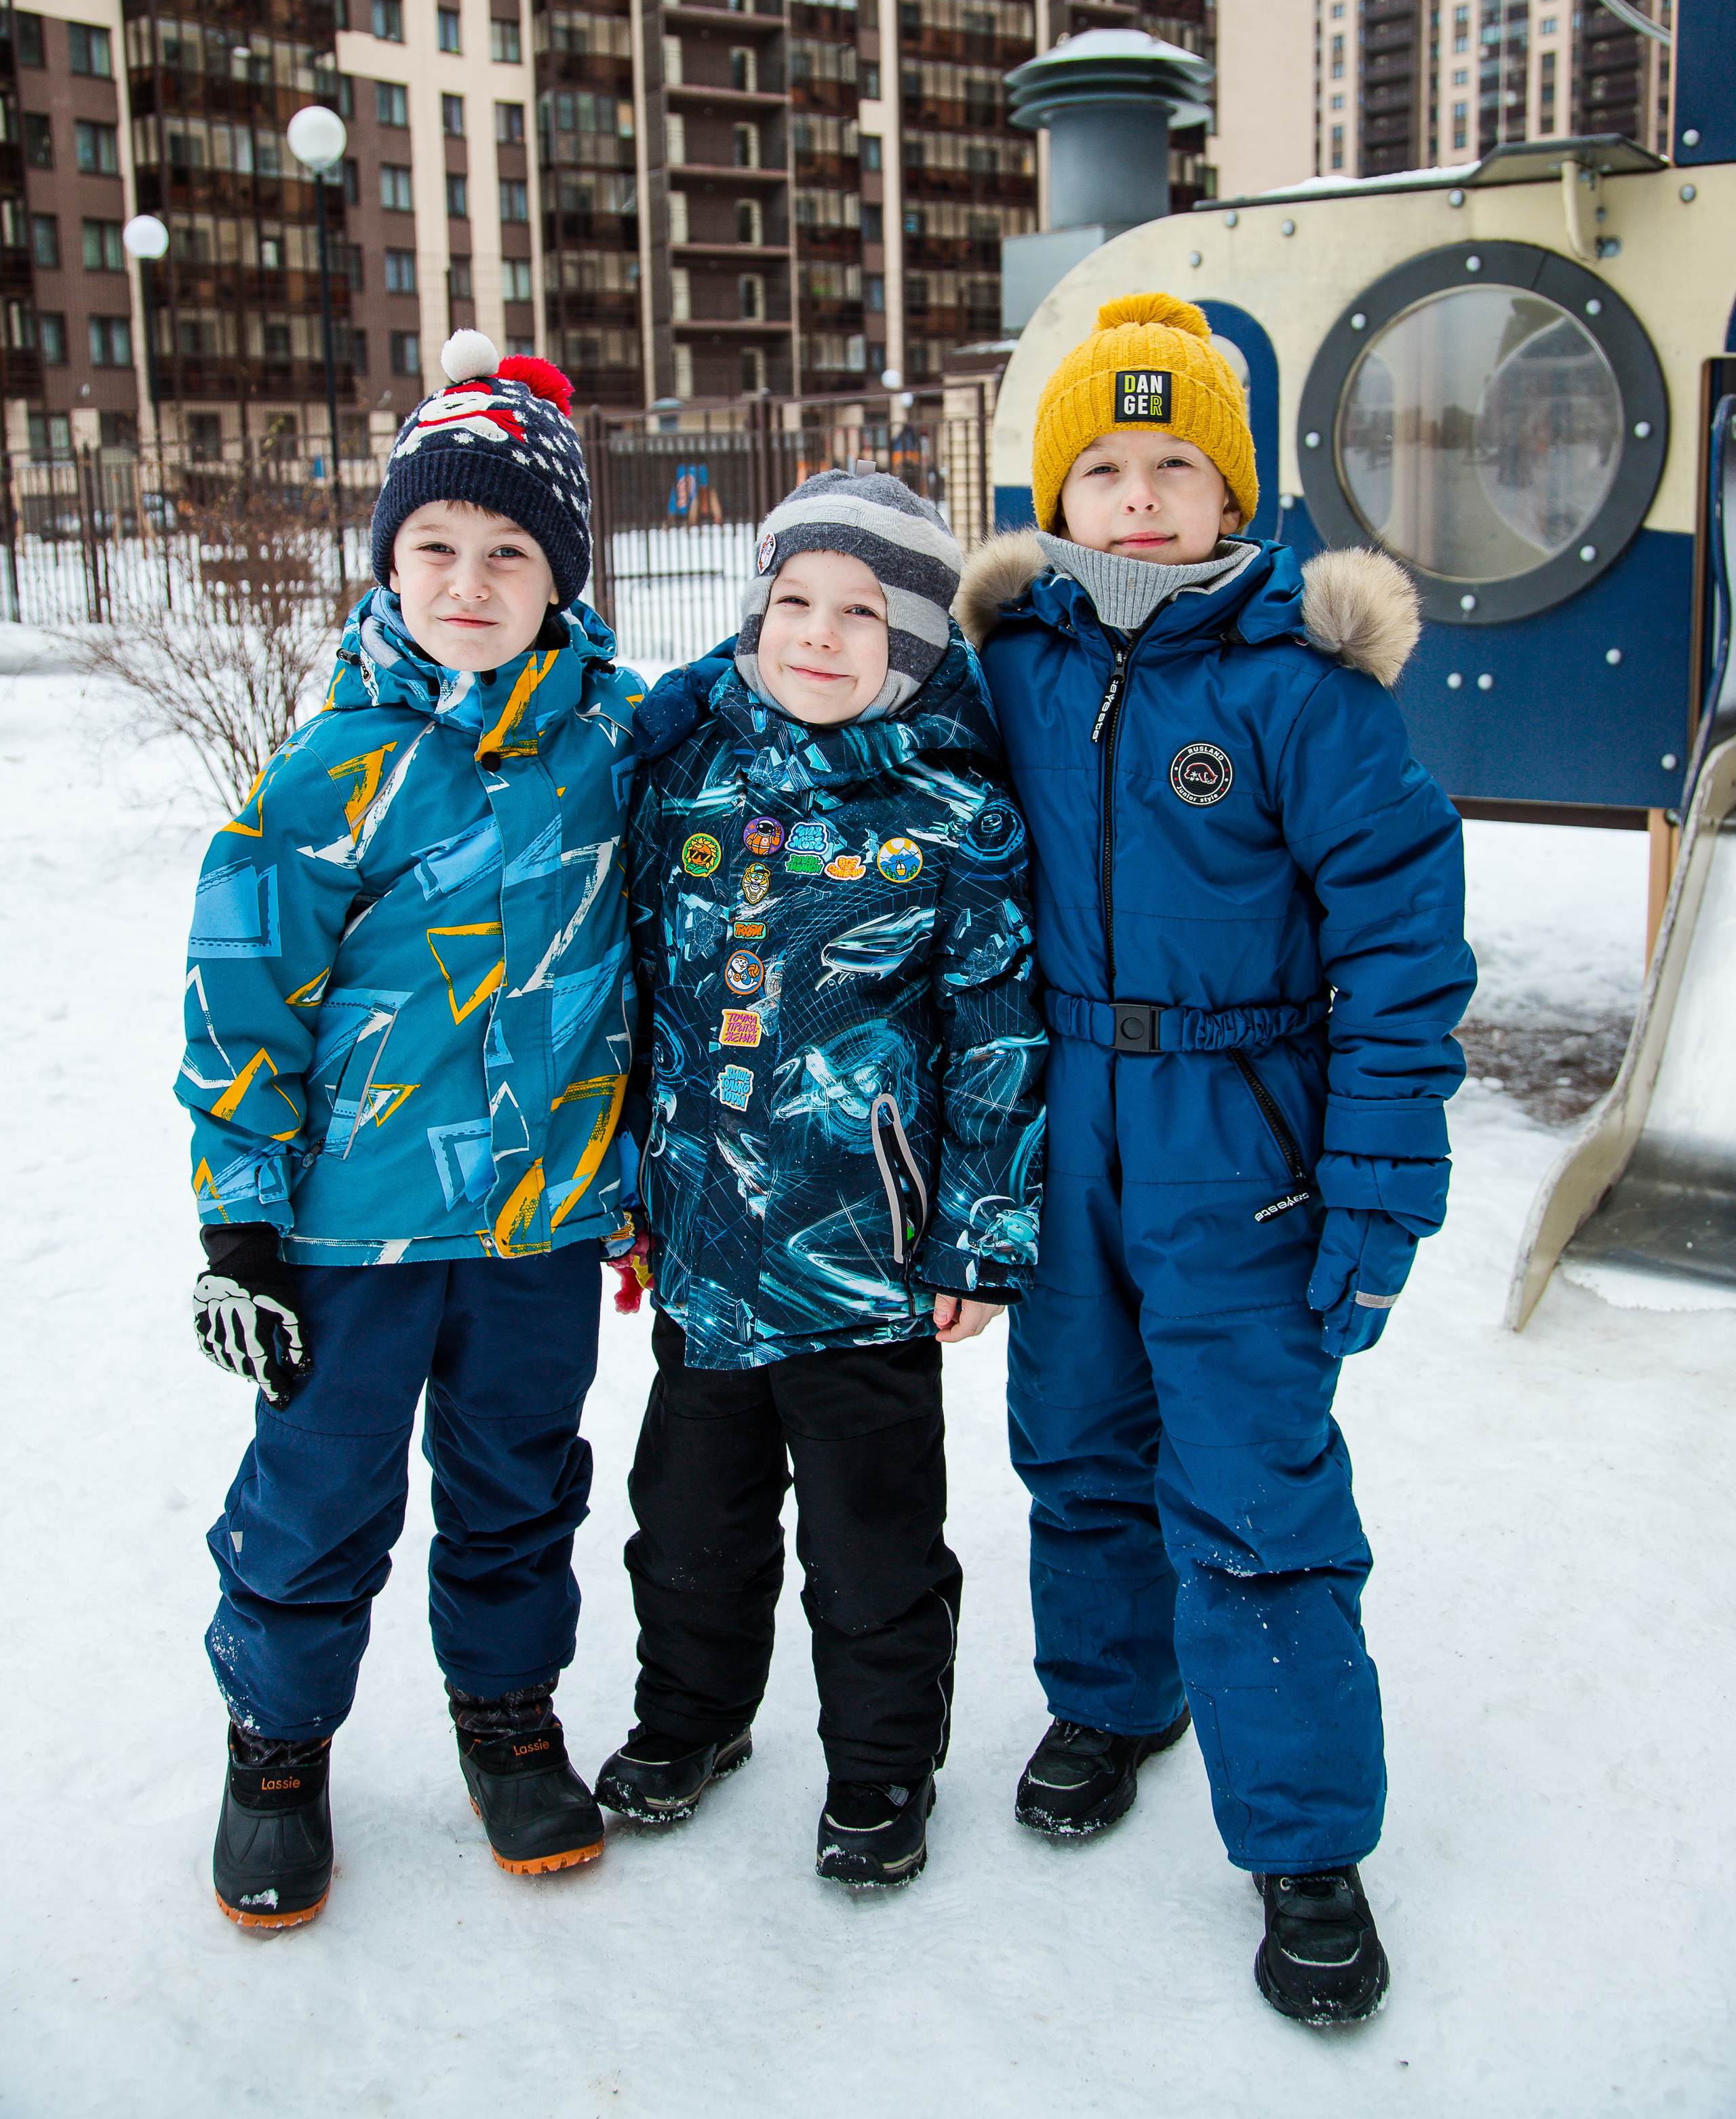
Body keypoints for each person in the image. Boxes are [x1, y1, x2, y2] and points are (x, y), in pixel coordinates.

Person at [954, 292, 1475, 2024]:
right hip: (1061, 1135)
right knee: (1076, 1448)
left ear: (1233, 493)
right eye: (1101, 466)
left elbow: (1398, 956)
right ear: (1054, 496)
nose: (1138, 495)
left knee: (1255, 1491)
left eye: (1175, 463)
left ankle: (1303, 1842)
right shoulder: (1011, 669)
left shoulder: (1300, 691)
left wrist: (1377, 1190)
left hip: (1239, 1148)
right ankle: (1111, 1697)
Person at [178, 332, 644, 1932]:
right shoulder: (334, 771)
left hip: (538, 1224)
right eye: (434, 545)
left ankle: (506, 1715)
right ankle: (276, 1745)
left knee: (518, 1483)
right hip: (349, 1231)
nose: (468, 581)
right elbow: (241, 1000)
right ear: (387, 562)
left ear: (561, 577)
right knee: (317, 1494)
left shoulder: (616, 745)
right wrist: (239, 1221)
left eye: (510, 551)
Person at [595, 467, 1046, 1888]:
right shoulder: (685, 775)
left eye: (863, 612)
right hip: (704, 1257)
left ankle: (879, 1771)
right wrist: (630, 1183)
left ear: (915, 641)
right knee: (686, 1528)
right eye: (794, 599)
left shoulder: (956, 813)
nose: (819, 635)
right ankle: (690, 1719)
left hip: (862, 1268)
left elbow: (997, 1036)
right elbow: (636, 997)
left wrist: (978, 1234)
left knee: (873, 1552)